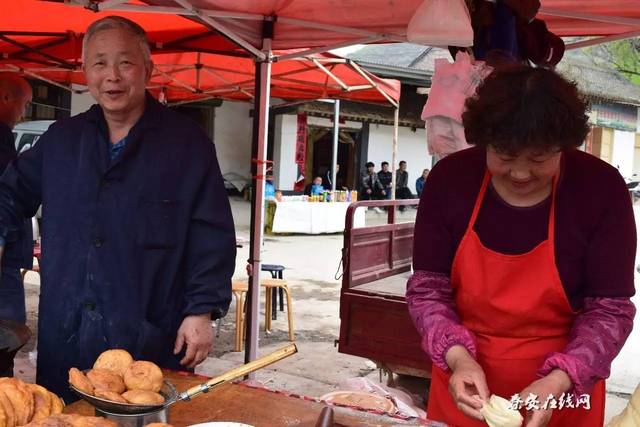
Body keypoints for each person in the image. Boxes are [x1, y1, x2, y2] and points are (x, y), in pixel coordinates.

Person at [0, 16, 236, 400]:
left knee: (143, 417)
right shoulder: (62, 140)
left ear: (148, 69)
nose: (112, 76)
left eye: (125, 62)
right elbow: (9, 195)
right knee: (64, 418)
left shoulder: (186, 144)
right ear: (85, 72)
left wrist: (201, 311)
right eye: (99, 63)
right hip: (67, 329)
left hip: (146, 329)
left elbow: (211, 233)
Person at [407, 65, 635, 427]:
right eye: (505, 155)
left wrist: (561, 379)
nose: (520, 173)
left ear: (564, 145)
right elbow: (427, 290)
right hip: (465, 384)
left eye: (539, 158)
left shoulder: (601, 189)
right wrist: (457, 359)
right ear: (483, 140)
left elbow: (610, 310)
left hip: (562, 392)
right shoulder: (450, 181)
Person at [0, 73, 34, 377]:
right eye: (24, 105)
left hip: (8, 256)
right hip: (4, 258)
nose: (23, 113)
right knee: (7, 335)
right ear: (6, 99)